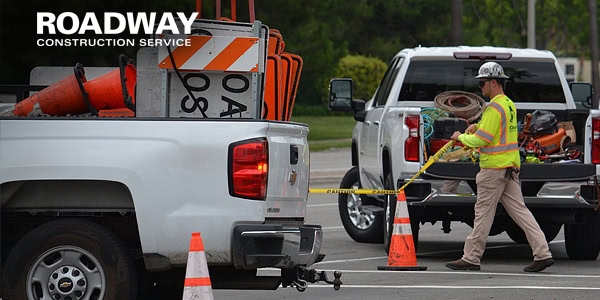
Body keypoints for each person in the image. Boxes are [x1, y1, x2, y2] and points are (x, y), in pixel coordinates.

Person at [445, 62, 554, 272]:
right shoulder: (508, 104)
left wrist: (462, 137)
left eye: (482, 82)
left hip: (493, 170)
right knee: (521, 212)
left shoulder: (494, 107)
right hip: (510, 168)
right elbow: (496, 130)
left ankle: (471, 257)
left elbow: (483, 139)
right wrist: (478, 124)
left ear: (494, 82)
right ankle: (543, 253)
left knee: (483, 214)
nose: (480, 87)